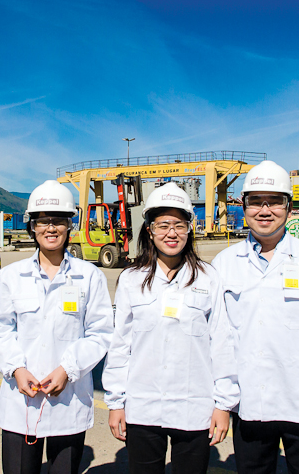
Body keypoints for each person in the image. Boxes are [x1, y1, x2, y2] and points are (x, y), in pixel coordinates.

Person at [212, 161, 299, 474]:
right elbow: (220, 339)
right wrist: (222, 402)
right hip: (250, 406)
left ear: (289, 207)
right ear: (244, 206)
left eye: (275, 201)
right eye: (255, 201)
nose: (265, 210)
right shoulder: (224, 264)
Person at [103, 183, 239, 474]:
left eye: (179, 224)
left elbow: (222, 343)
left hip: (194, 407)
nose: (171, 232)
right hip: (143, 407)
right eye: (163, 224)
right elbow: (120, 346)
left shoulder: (207, 278)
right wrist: (115, 402)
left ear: (190, 228)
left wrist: (224, 405)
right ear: (149, 230)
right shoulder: (131, 280)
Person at [0, 179, 113, 474]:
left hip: (67, 401)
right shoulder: (11, 276)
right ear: (32, 227)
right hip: (22, 402)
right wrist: (17, 369)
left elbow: (100, 332)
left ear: (71, 225)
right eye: (43, 221)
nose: (51, 228)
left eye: (58, 221)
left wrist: (67, 370)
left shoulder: (89, 276)